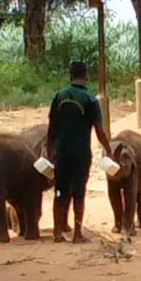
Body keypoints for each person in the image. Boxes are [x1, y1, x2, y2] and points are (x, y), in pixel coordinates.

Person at [46, 61, 113, 243]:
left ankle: (57, 232)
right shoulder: (90, 99)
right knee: (79, 193)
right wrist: (108, 149)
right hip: (81, 153)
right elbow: (99, 130)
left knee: (60, 191)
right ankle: (77, 233)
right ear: (86, 76)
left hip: (61, 153)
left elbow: (51, 128)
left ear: (70, 76)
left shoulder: (58, 97)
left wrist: (49, 150)